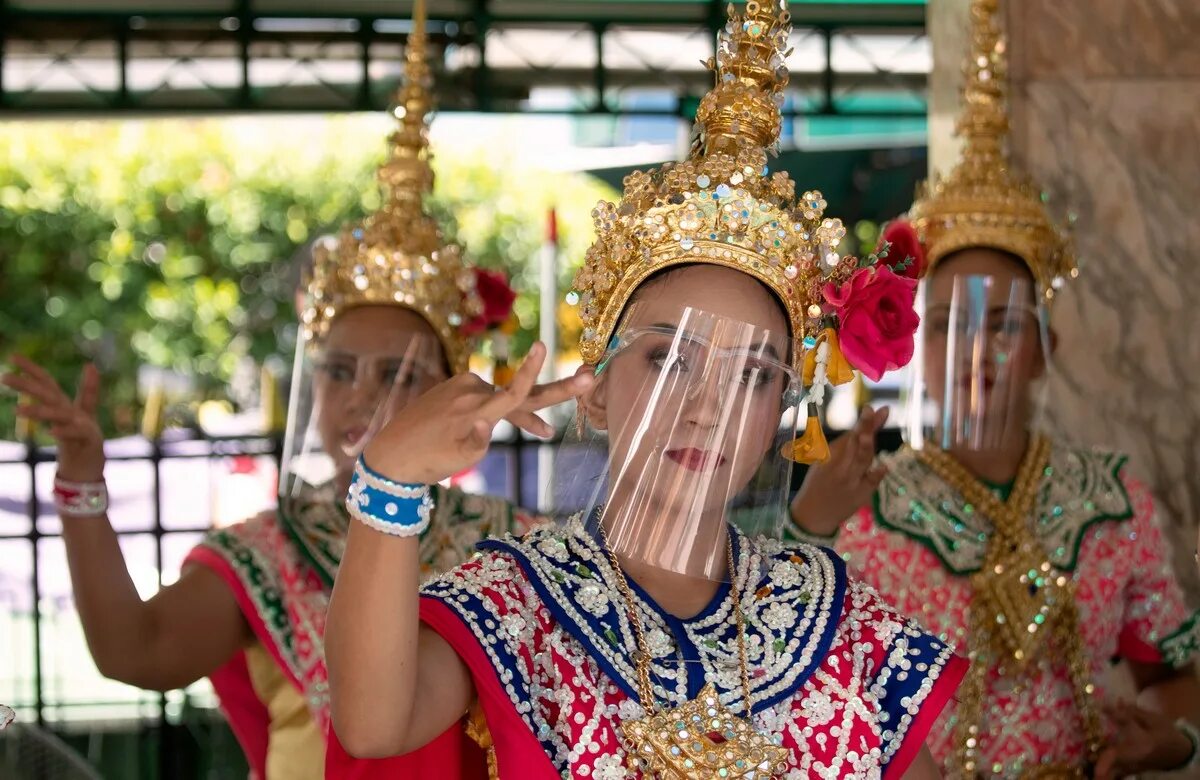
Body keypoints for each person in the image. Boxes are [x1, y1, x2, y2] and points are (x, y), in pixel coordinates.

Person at [325, 3, 966, 778]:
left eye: (754, 375)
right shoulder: (515, 600)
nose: (709, 406)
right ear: (592, 393)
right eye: (670, 360)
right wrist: (388, 483)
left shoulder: (835, 616)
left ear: (778, 417)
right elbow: (373, 724)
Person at [0, 5, 551, 777]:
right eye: (338, 371)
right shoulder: (277, 548)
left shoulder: (520, 546)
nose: (364, 399)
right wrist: (84, 483)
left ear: (450, 392)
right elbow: (139, 651)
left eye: (401, 377)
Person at [789, 1, 1200, 777]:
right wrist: (808, 525)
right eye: (948, 325)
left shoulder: (1111, 503)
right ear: (920, 344)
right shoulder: (866, 508)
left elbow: (1173, 679)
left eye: (1004, 327)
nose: (975, 351)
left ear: (1047, 351)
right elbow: (768, 671)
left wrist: (1171, 740)